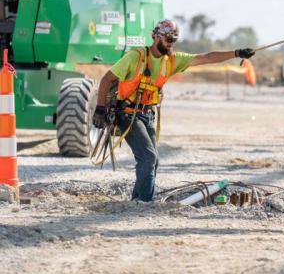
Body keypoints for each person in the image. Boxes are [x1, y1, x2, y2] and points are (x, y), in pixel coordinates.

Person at [91, 19, 255, 202]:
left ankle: (137, 200)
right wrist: (99, 109)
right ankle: (145, 203)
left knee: (152, 162)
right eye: (168, 39)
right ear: (156, 37)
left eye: (173, 40)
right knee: (148, 158)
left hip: (147, 114)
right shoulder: (135, 57)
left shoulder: (172, 60)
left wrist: (236, 53)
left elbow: (207, 57)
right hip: (128, 114)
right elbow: (106, 79)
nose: (171, 44)